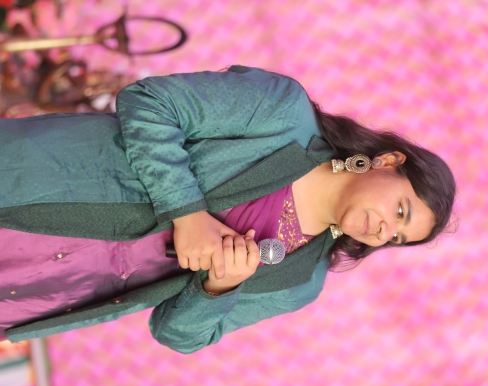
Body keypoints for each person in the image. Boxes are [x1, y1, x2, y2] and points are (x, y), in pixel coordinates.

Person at [0, 65, 456, 353]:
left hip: (47, 288)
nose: (383, 232)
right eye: (400, 211)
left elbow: (178, 335)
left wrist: (219, 286)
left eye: (396, 238)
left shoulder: (300, 280)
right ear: (388, 162)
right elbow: (151, 102)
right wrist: (188, 214)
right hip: (38, 185)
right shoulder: (283, 114)